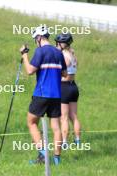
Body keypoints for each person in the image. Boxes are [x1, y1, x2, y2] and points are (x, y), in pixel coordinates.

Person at [20, 25, 67, 165]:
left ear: (39, 38)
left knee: (31, 122)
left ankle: (42, 154)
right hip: (57, 95)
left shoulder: (40, 51)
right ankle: (57, 160)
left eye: (35, 39)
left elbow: (29, 71)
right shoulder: (59, 53)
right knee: (56, 127)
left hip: (41, 94)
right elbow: (65, 74)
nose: (35, 41)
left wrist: (24, 55)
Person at [55, 33, 81, 147]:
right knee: (74, 116)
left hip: (64, 86)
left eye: (58, 43)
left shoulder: (64, 56)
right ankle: (78, 140)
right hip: (73, 86)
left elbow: (60, 72)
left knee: (64, 117)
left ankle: (64, 142)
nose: (57, 44)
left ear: (63, 44)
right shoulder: (73, 55)